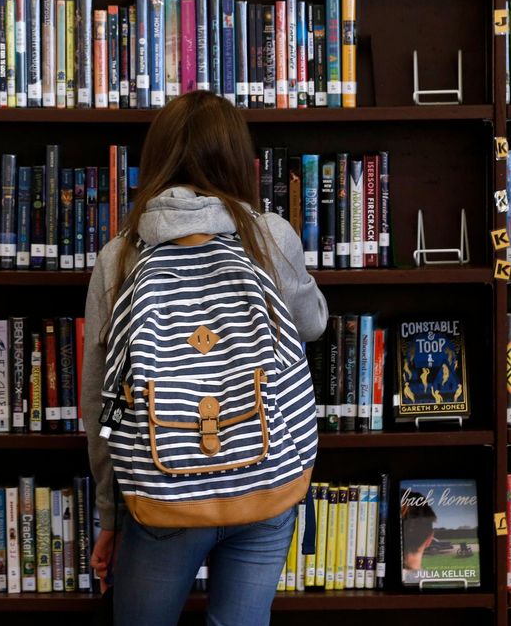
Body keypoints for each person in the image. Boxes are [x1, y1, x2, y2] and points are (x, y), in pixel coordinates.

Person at [81, 90, 327, 626]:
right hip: (266, 480)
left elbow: (100, 403)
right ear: (240, 158)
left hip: (162, 492)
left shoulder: (119, 254)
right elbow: (313, 325)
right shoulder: (269, 234)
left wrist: (109, 513)